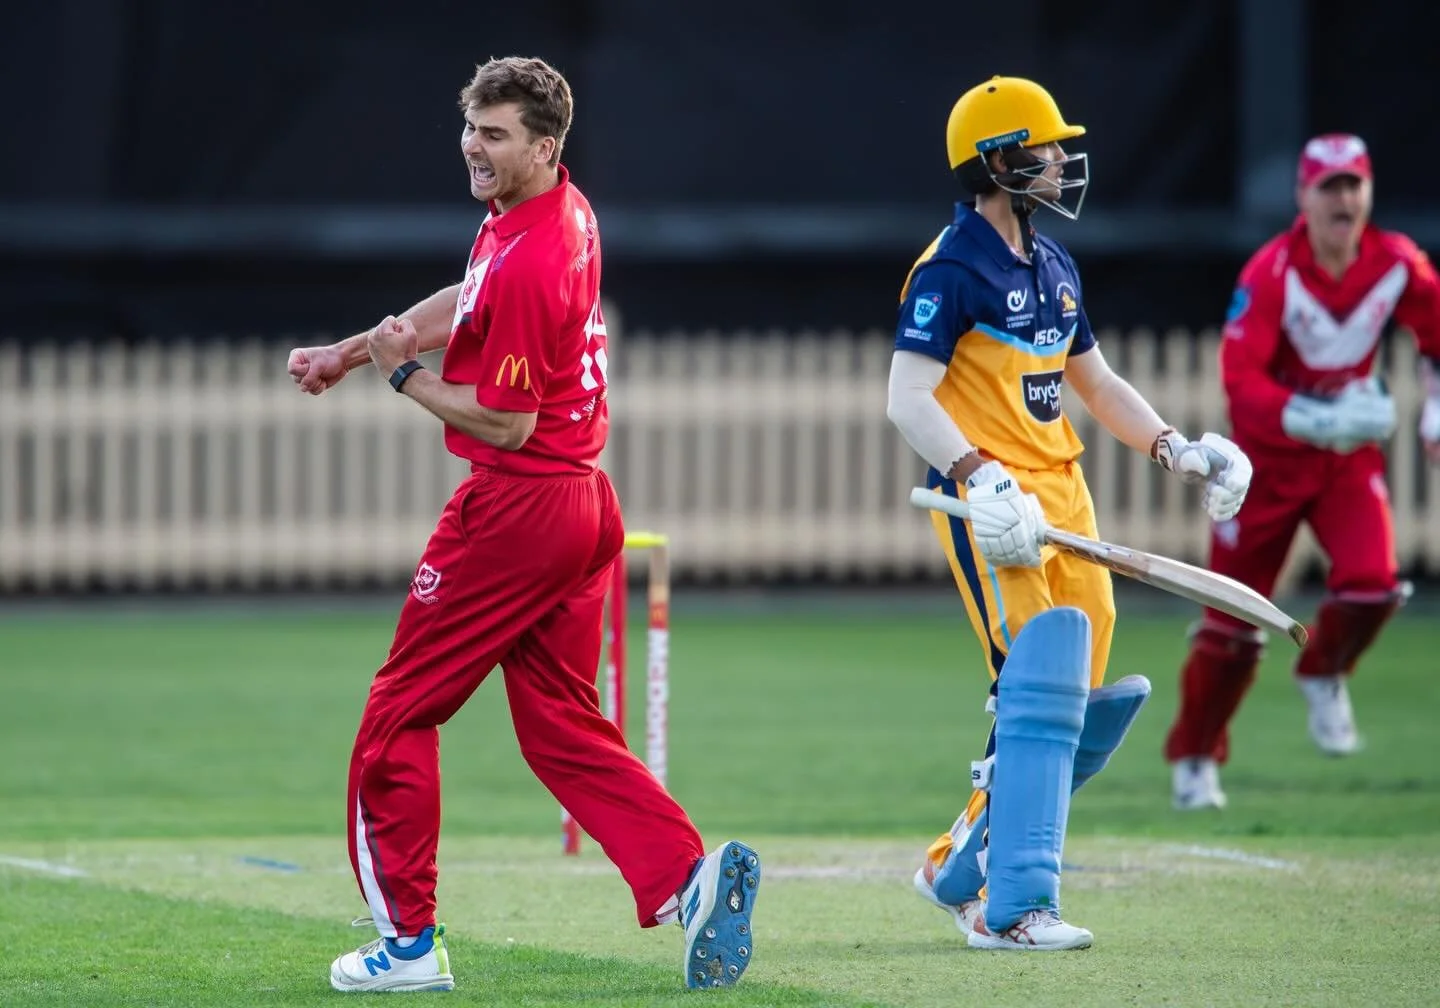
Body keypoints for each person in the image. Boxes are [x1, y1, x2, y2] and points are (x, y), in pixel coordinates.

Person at [285, 56, 761, 993]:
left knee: (395, 718)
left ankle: (409, 947)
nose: (474, 146)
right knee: (560, 726)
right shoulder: (547, 213)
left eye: (495, 134)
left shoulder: (541, 251)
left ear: (544, 146)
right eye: (470, 128)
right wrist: (352, 351)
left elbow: (506, 421)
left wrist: (398, 376)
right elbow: (470, 297)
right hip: (584, 507)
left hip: (519, 507)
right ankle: (686, 879)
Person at [885, 75, 1253, 950]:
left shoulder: (1051, 264)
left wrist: (1176, 448)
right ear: (999, 160)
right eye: (1044, 147)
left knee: (1069, 699)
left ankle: (955, 864)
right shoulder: (951, 266)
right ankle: (1005, 909)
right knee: (1035, 691)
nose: (1059, 161)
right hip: (997, 506)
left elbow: (1094, 382)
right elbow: (906, 397)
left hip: (1065, 496)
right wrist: (979, 476)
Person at [1165, 133, 1440, 810]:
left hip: (1345, 465)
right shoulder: (1271, 273)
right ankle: (1196, 759)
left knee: (1374, 586)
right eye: (1330, 187)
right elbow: (1242, 384)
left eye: (1355, 185)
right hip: (1265, 467)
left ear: (1369, 192)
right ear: (1303, 197)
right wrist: (1317, 417)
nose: (1344, 199)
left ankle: (1323, 670)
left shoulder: (1396, 263)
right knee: (1230, 625)